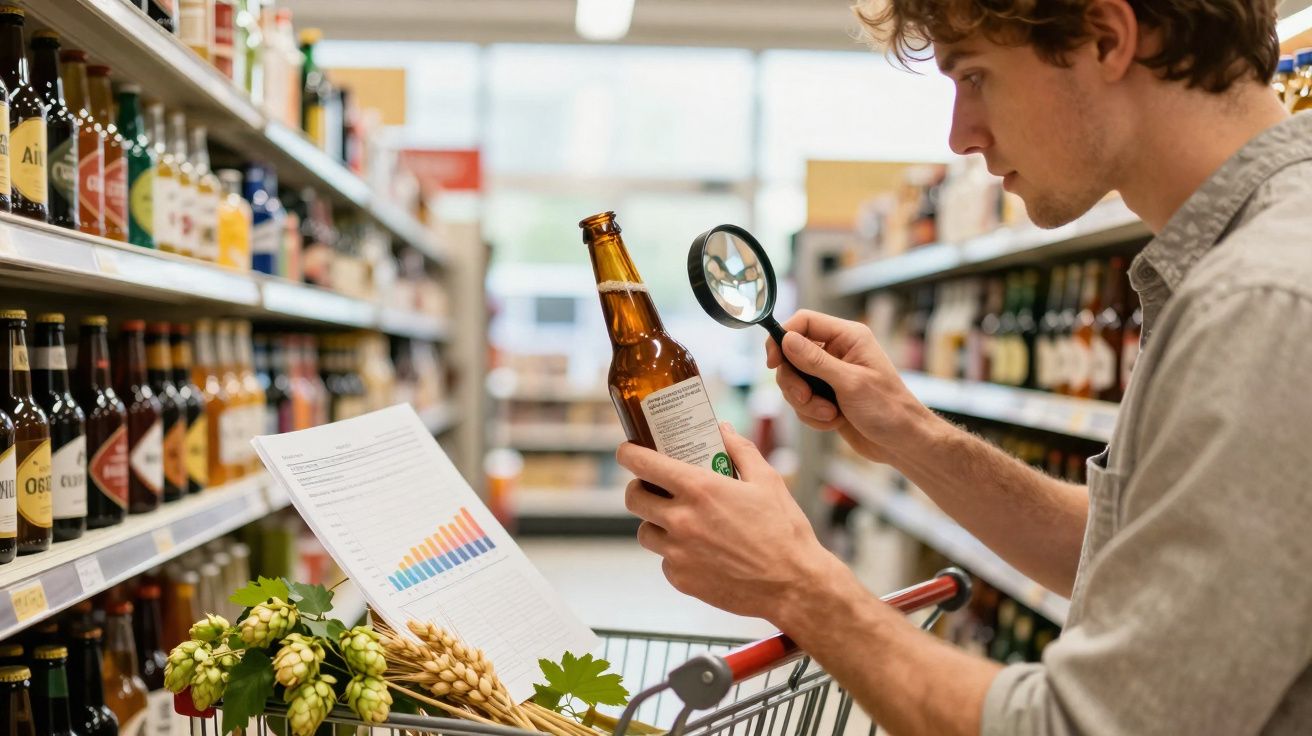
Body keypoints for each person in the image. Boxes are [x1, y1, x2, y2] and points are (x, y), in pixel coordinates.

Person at [617, 0, 1312, 733]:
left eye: (975, 76)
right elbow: (1124, 554)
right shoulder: (1232, 271)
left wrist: (795, 583)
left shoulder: (1262, 302)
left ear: (1107, 38)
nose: (961, 134)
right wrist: (911, 435)